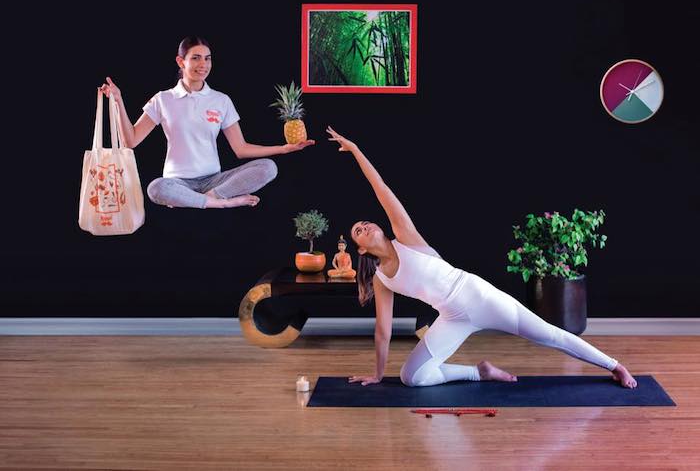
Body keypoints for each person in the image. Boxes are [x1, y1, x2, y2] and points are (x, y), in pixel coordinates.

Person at [324, 127, 638, 389]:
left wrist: (355, 150)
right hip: (452, 318)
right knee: (412, 377)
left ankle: (615, 365)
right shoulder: (382, 279)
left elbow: (379, 186)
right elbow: (383, 331)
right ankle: (480, 372)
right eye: (358, 231)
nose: (365, 226)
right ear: (360, 249)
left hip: (479, 296)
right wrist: (378, 374)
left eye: (365, 223)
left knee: (549, 335)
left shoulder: (405, 236)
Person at [98, 36, 315, 209]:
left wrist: (283, 149)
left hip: (214, 181)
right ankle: (223, 203)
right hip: (177, 182)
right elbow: (131, 141)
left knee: (268, 167)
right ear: (181, 62)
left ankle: (208, 197)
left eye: (207, 58)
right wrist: (118, 101)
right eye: (196, 58)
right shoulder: (163, 99)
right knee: (156, 188)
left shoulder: (221, 100)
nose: (203, 64)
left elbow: (241, 149)